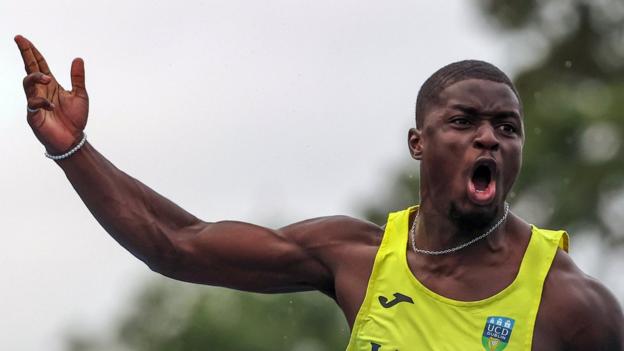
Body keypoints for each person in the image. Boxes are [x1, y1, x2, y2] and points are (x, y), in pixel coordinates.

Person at [15, 34, 623, 350]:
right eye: (464, 122)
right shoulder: (355, 258)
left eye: (507, 129)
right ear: (418, 142)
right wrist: (73, 150)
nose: (488, 139)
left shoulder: (572, 307)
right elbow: (179, 245)